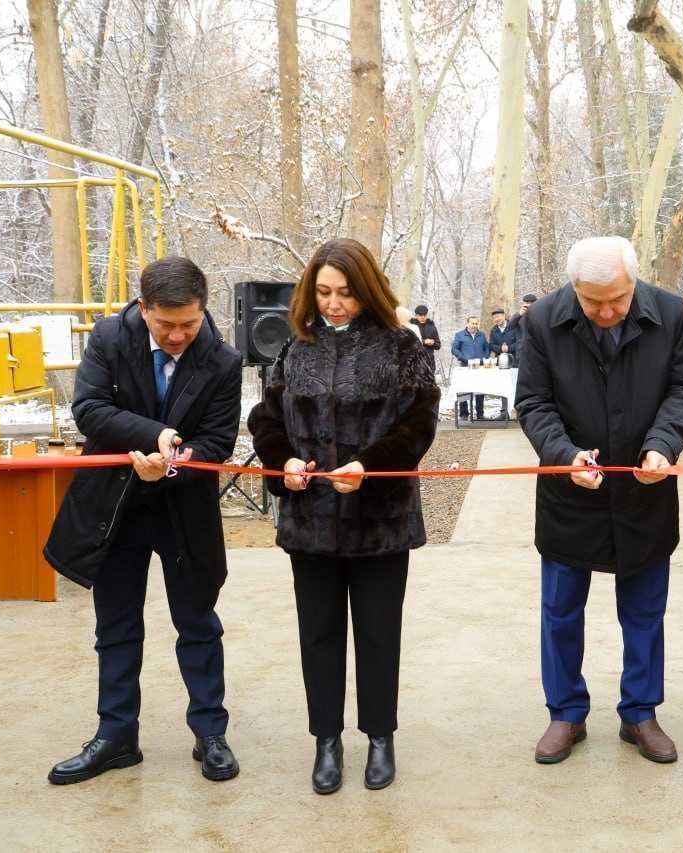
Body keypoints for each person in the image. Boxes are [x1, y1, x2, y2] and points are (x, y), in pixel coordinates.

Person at [247, 238, 439, 794]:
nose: (334, 304)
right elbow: (266, 416)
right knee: (320, 636)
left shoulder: (402, 348)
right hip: (310, 521)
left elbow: (419, 423)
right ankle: (325, 740)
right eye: (325, 292)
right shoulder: (294, 347)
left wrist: (370, 464)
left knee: (379, 635)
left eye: (347, 294)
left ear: (368, 292)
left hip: (380, 521)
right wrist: (279, 458)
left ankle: (380, 736)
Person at [43, 257, 243, 786]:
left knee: (198, 622)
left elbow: (219, 443)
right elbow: (88, 409)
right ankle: (116, 736)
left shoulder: (222, 361)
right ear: (142, 308)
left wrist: (172, 463)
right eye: (165, 324)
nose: (178, 336)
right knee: (116, 624)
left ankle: (210, 731)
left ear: (203, 312)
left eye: (190, 324)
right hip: (116, 508)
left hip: (184, 509)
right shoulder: (110, 338)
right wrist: (155, 436)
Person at [515, 236, 683, 766]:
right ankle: (565, 712)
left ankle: (640, 711)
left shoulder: (669, 314)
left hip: (646, 488)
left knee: (644, 610)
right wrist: (562, 453)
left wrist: (662, 445)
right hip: (569, 490)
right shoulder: (545, 319)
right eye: (591, 301)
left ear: (633, 283)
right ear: (573, 288)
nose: (604, 312)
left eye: (616, 300)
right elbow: (532, 400)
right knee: (560, 609)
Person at [451, 315, 490, 420]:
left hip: (480, 367)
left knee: (480, 390)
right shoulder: (459, 335)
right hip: (465, 366)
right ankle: (464, 414)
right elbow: (455, 349)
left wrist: (484, 358)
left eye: (476, 323)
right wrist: (464, 359)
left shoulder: (481, 335)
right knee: (463, 389)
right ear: (467, 324)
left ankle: (480, 414)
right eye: (472, 323)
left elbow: (487, 348)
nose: (474, 325)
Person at [410, 304, 441, 373]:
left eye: (425, 315)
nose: (423, 317)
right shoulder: (411, 326)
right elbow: (409, 343)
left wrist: (433, 343)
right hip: (415, 361)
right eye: (421, 315)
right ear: (416, 315)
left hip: (429, 362)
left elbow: (438, 345)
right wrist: (424, 342)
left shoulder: (432, 326)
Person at [507, 293, 537, 363]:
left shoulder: (539, 314)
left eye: (531, 303)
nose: (529, 305)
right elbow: (509, 326)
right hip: (522, 352)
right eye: (527, 303)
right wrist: (520, 314)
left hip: (536, 351)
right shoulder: (519, 316)